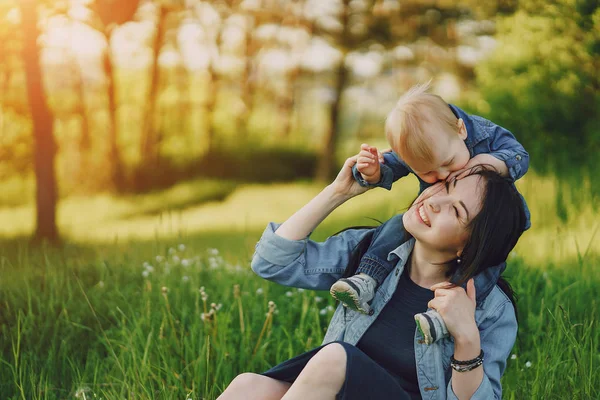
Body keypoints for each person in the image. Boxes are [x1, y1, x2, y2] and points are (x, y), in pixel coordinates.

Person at [217, 154, 527, 400]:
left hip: (338, 373)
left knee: (335, 359)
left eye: (456, 211)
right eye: (444, 187)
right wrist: (337, 193)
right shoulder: (371, 256)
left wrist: (467, 337)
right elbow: (270, 262)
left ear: (470, 246)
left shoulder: (490, 308)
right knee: (248, 388)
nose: (433, 201)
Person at [330, 82, 531, 326]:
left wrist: (488, 163)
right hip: (444, 217)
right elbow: (391, 165)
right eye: (428, 172)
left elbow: (518, 153)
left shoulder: (480, 132)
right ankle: (367, 277)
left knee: (485, 261)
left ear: (461, 130)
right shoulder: (416, 147)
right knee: (395, 227)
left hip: (489, 221)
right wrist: (373, 172)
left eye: (448, 162)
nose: (443, 175)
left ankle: (462, 305)